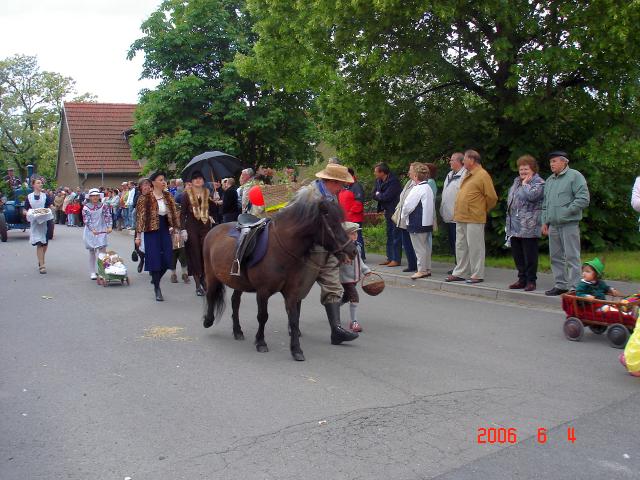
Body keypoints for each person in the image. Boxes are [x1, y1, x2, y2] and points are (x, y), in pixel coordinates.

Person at [297, 162, 359, 345]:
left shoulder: (332, 196)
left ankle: (336, 330)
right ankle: (294, 325)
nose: (342, 187)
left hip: (329, 250)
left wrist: (347, 236)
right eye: (340, 183)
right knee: (299, 289)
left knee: (333, 287)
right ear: (331, 181)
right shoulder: (306, 194)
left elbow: (334, 224)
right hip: (310, 251)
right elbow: (289, 217)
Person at [541, 151, 590, 296]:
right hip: (553, 225)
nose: (551, 164)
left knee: (572, 256)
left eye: (554, 161)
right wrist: (544, 221)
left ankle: (575, 287)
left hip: (569, 224)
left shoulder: (575, 176)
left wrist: (567, 211)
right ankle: (560, 284)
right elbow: (545, 203)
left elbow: (583, 198)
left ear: (564, 162)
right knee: (555, 257)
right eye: (550, 162)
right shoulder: (550, 180)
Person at [445, 150, 498, 284]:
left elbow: (492, 197)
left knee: (475, 247)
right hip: (461, 216)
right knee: (461, 246)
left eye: (465, 159)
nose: (463, 162)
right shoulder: (467, 174)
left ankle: (477, 274)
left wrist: (481, 209)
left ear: (472, 160)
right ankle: (460, 272)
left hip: (474, 217)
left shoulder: (482, 175)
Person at [135, 172, 180, 301]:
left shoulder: (168, 196)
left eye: (164, 180)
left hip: (165, 229)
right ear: (153, 182)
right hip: (151, 231)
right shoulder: (144, 198)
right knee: (154, 259)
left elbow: (174, 214)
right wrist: (138, 236)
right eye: (160, 180)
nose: (163, 182)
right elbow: (140, 218)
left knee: (168, 258)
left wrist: (177, 231)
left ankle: (156, 281)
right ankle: (157, 289)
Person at [505, 155, 545, 291]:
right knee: (518, 254)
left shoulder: (538, 182)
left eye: (526, 169)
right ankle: (521, 279)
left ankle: (531, 281)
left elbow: (531, 196)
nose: (522, 172)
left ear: (533, 169)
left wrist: (525, 184)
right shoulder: (516, 181)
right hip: (514, 225)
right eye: (521, 169)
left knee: (530, 255)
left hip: (529, 225)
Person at [181, 171, 216, 296]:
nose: (197, 181)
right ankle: (197, 285)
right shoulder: (186, 195)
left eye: (200, 178)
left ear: (203, 180)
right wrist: (183, 229)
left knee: (205, 253)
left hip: (205, 226)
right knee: (195, 254)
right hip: (192, 227)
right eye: (195, 179)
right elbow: (182, 214)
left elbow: (213, 209)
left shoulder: (208, 193)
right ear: (191, 181)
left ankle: (204, 280)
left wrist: (216, 201)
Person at [401, 163, 435, 279]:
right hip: (426, 222)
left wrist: (403, 215)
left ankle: (421, 270)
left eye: (411, 172)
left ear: (416, 176)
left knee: (419, 248)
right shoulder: (428, 187)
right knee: (425, 247)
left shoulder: (418, 188)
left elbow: (408, 206)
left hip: (417, 221)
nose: (409, 174)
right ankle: (427, 268)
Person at [339, 222, 371, 332]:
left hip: (355, 276)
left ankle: (334, 307)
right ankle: (354, 322)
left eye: (356, 233)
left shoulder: (357, 245)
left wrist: (365, 269)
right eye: (352, 233)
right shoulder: (341, 248)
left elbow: (359, 260)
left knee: (347, 297)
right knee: (354, 297)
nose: (355, 235)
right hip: (345, 277)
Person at [440, 152, 466, 272]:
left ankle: (462, 267)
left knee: (460, 243)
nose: (450, 162)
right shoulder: (450, 174)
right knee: (453, 243)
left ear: (460, 162)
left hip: (458, 216)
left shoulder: (464, 175)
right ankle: (458, 265)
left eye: (452, 160)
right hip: (448, 215)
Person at [373, 162, 402, 267]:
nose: (374, 173)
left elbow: (387, 197)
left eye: (376, 172)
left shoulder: (393, 181)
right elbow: (373, 194)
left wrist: (379, 194)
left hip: (394, 210)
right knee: (389, 234)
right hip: (387, 210)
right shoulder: (378, 180)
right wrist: (380, 195)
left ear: (382, 172)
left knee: (395, 234)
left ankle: (396, 259)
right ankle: (390, 257)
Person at [391, 165, 418, 273]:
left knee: (414, 243)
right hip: (403, 217)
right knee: (406, 242)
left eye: (410, 170)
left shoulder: (419, 184)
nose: (408, 172)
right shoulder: (409, 182)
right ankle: (411, 264)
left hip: (411, 218)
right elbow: (402, 198)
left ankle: (417, 265)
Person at [23, 178, 53, 274]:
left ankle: (41, 260)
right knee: (39, 242)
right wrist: (27, 213)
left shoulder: (45, 196)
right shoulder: (29, 197)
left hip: (45, 222)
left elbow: (49, 206)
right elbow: (25, 209)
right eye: (38, 183)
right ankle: (42, 265)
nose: (40, 184)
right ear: (34, 185)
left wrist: (53, 208)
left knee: (45, 243)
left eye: (41, 183)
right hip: (35, 222)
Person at [82, 188, 112, 280]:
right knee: (92, 252)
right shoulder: (86, 207)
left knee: (102, 251)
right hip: (91, 232)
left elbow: (107, 216)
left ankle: (102, 271)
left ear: (99, 196)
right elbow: (86, 220)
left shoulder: (103, 206)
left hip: (101, 229)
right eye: (93, 196)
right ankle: (92, 272)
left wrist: (109, 226)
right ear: (90, 197)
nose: (95, 197)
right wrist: (92, 229)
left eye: (96, 195)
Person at [338, 168, 366, 259]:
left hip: (354, 218)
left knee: (357, 237)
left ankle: (360, 256)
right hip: (346, 217)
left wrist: (350, 213)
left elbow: (359, 203)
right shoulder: (346, 187)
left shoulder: (356, 186)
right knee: (349, 238)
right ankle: (352, 255)